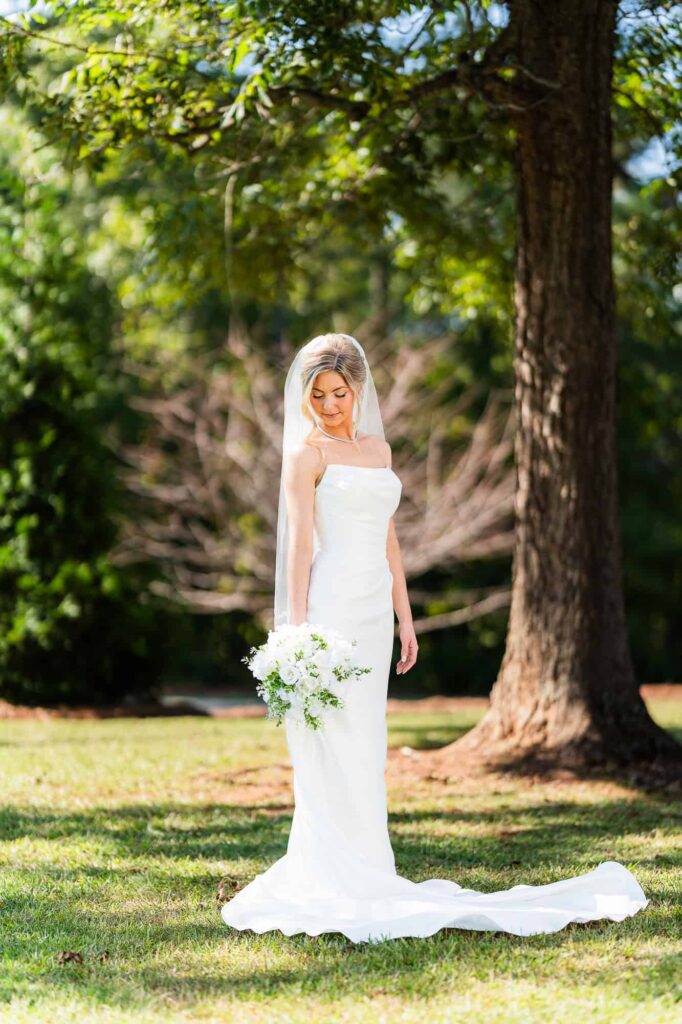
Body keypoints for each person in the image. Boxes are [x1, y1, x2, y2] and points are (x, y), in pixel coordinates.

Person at [220, 332, 649, 943]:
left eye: (339, 392)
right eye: (317, 395)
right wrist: (296, 630)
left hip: (372, 611)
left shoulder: (378, 448)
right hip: (331, 606)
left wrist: (404, 615)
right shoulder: (306, 455)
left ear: (359, 389)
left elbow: (389, 536)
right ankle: (328, 870)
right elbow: (299, 546)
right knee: (332, 740)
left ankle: (370, 866)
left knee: (368, 740)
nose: (328, 404)